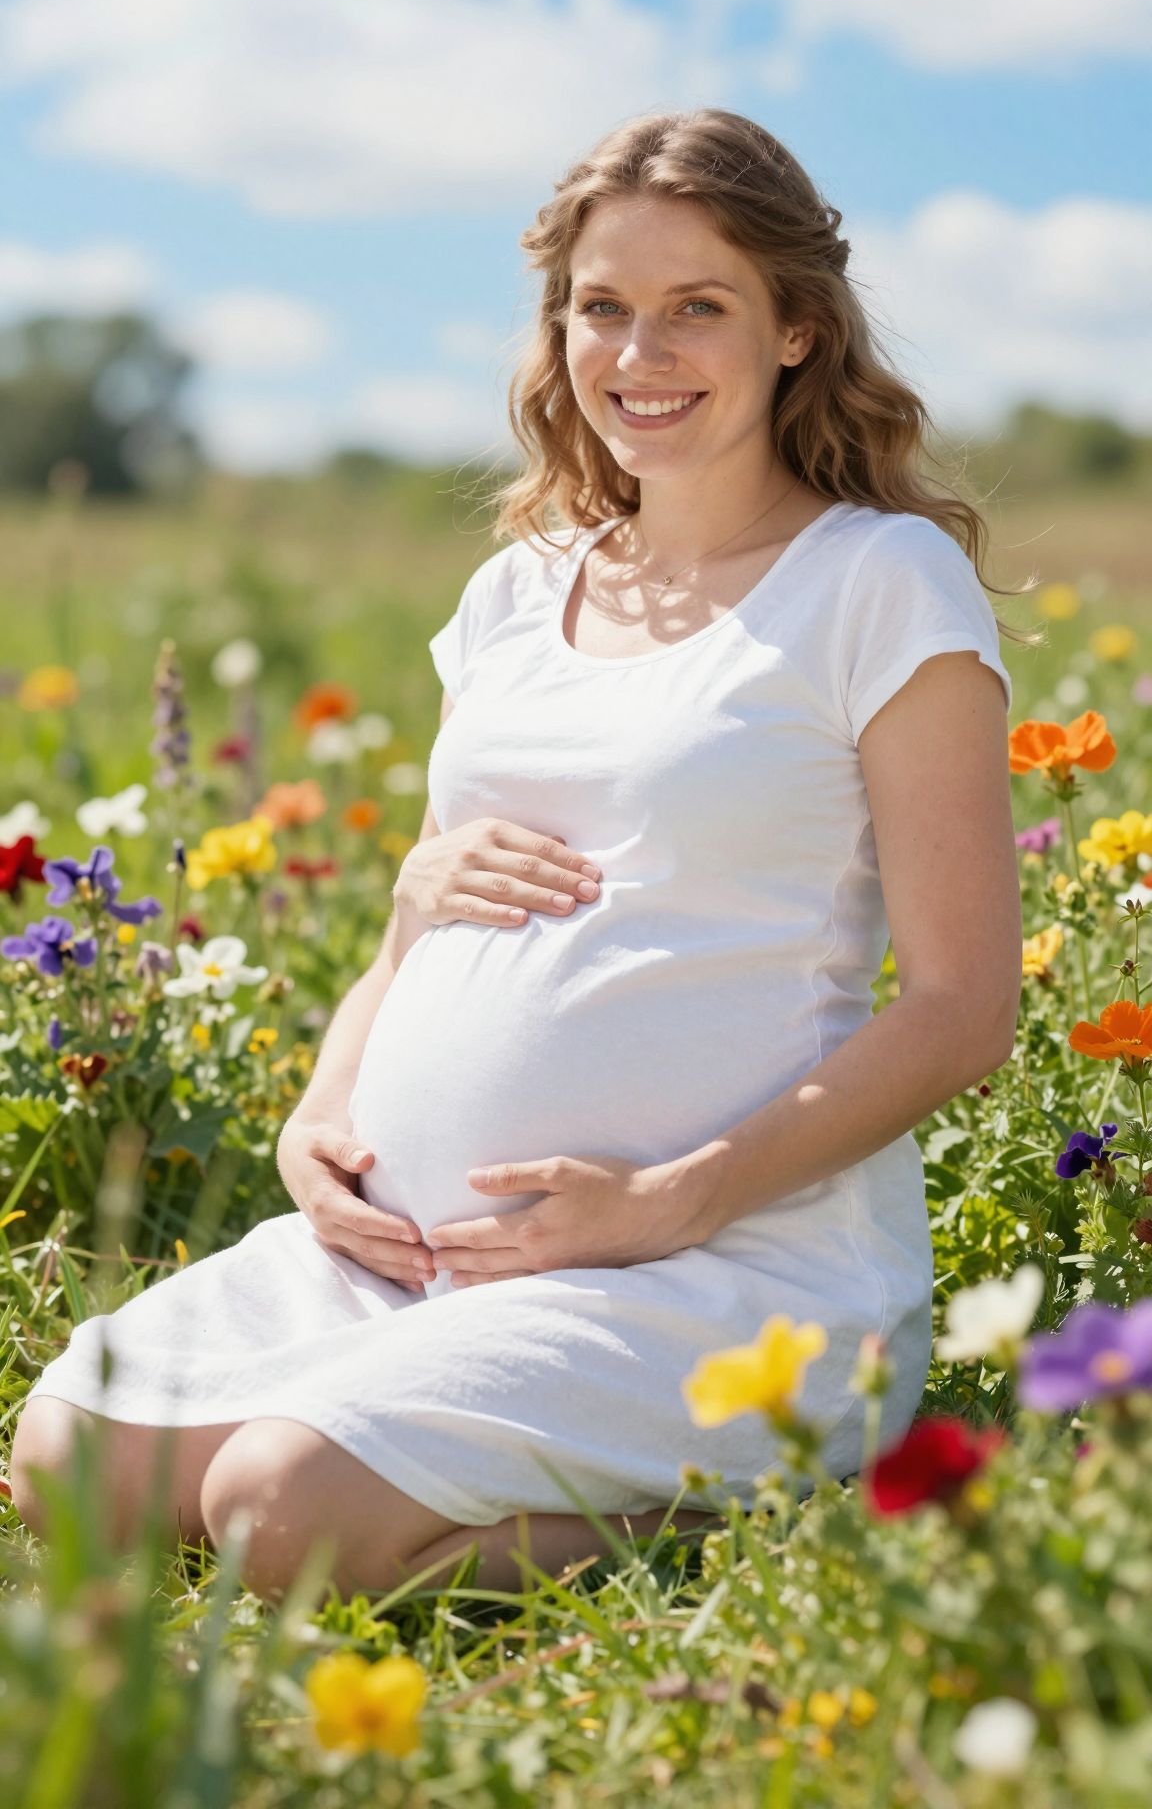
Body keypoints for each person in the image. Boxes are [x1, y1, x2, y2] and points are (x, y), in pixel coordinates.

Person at [10, 108, 1032, 1604]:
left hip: (717, 1281)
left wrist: (670, 1198)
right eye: (602, 308)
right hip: (417, 1258)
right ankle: (387, 1438)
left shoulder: (879, 582)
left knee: (278, 1516)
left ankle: (780, 1508)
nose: (641, 353)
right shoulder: (514, 593)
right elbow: (421, 917)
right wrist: (321, 1110)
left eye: (700, 308)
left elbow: (964, 1008)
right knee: (67, 1456)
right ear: (559, 330)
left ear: (799, 330)